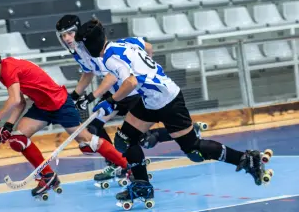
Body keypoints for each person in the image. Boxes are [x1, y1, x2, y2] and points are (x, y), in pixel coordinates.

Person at [79, 20, 273, 207]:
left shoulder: (109, 58)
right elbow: (148, 47)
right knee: (125, 139)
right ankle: (141, 185)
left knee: (194, 150)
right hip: (150, 99)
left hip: (168, 100)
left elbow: (131, 83)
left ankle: (246, 159)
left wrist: (111, 101)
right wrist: (147, 73)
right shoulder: (125, 42)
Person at [55, 15, 207, 184]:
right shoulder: (78, 52)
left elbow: (111, 76)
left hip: (130, 92)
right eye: (63, 35)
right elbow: (88, 72)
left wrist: (93, 95)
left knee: (143, 139)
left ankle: (188, 132)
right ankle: (117, 162)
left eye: (70, 34)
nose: (67, 38)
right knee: (95, 126)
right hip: (116, 95)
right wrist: (75, 95)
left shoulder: (92, 46)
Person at [0, 44, 129, 199]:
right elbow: (20, 102)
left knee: (87, 142)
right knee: (17, 139)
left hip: (59, 103)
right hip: (42, 107)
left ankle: (127, 167)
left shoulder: (8, 69)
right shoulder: (4, 73)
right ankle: (48, 176)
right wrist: (8, 125)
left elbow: (13, 99)